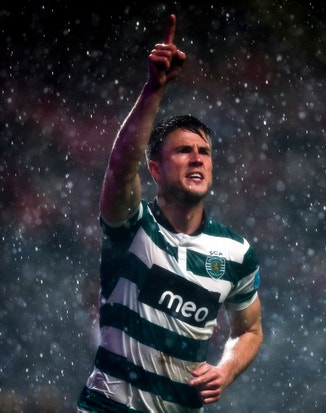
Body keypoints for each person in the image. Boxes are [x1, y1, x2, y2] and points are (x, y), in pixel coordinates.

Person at [77, 14, 263, 413]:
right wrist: (154, 89)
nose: (197, 158)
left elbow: (249, 330)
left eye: (204, 152)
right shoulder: (132, 226)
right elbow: (120, 167)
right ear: (156, 170)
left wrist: (226, 370)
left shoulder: (235, 253)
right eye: (183, 150)